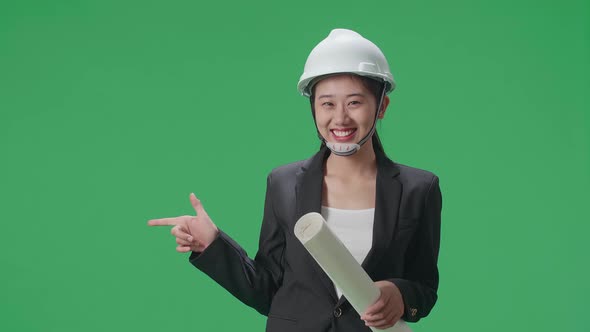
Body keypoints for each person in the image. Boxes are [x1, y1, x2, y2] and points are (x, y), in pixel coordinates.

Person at [148, 28, 442, 332]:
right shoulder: (284, 184)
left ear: (381, 106)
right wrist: (212, 244)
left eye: (354, 102)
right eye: (327, 103)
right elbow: (268, 291)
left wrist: (400, 294)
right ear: (313, 107)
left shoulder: (419, 190)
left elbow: (425, 288)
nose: (340, 118)